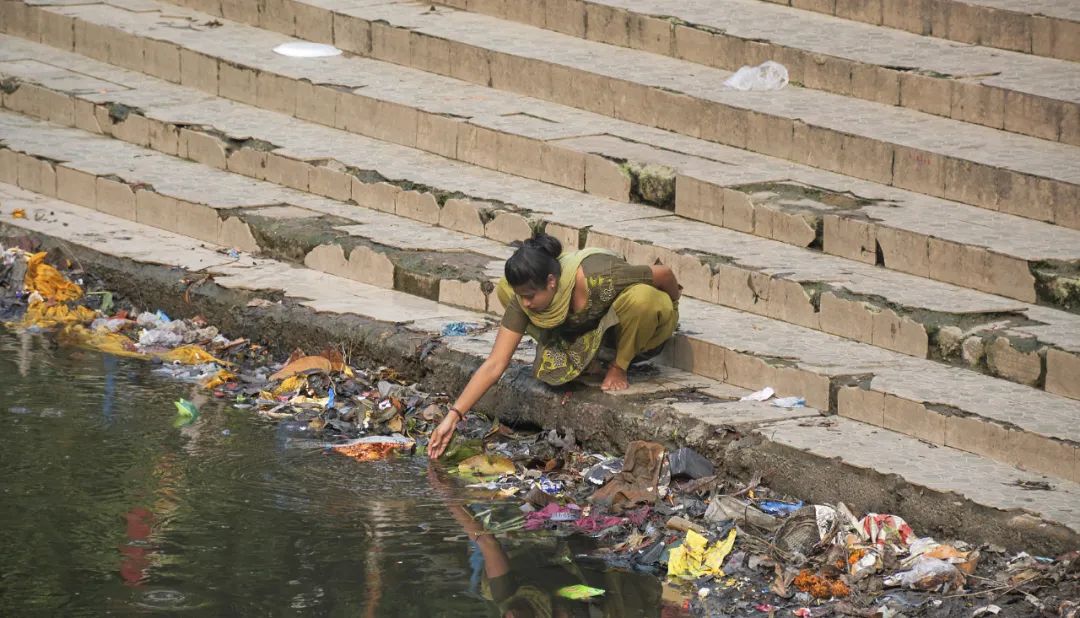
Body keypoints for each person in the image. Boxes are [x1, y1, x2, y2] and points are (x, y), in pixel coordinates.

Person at [429, 233, 679, 459]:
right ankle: (586, 357)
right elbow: (495, 363)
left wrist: (673, 306)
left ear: (551, 281)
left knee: (645, 300)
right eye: (522, 297)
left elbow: (664, 274)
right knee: (504, 290)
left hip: (630, 333)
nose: (525, 303)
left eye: (530, 296)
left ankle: (618, 366)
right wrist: (453, 416)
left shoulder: (601, 275)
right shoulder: (526, 296)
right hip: (583, 333)